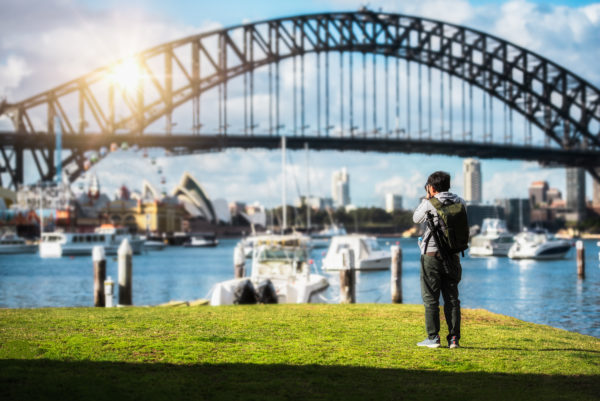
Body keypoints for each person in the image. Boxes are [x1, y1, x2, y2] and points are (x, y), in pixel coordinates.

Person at [412, 171, 466, 349]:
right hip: (453, 256)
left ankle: (433, 338)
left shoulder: (429, 203)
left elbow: (416, 218)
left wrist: (427, 197)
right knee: (452, 299)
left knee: (431, 299)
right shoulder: (460, 201)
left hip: (432, 256)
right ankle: (453, 340)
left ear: (432, 187)